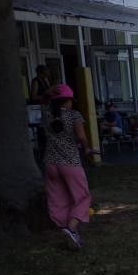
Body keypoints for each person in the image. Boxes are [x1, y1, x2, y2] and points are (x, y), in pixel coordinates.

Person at [42, 84, 99, 249]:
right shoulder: (74, 115)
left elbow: (43, 101)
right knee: (83, 197)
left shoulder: (46, 114)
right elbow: (81, 136)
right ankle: (71, 228)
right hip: (70, 162)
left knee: (58, 198)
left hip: (51, 163)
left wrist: (47, 92)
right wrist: (87, 148)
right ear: (67, 101)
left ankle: (64, 228)